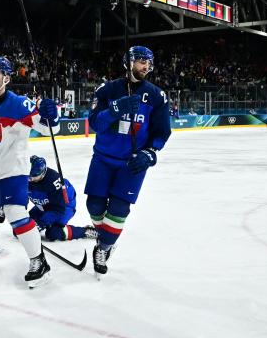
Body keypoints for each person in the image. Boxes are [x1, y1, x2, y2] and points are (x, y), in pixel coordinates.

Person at [85, 46, 171, 278]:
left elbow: (162, 132)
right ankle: (107, 238)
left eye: (149, 62)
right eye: (141, 60)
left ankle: (103, 248)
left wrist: (151, 153)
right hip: (103, 159)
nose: (145, 66)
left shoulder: (156, 95)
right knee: (94, 206)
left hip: (133, 163)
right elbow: (95, 124)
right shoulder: (108, 90)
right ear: (129, 62)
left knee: (119, 209)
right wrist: (116, 108)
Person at [0, 56, 59, 288]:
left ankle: (38, 262)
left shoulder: (20, 104)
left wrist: (52, 114)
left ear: (7, 77)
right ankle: (0, 206)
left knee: (16, 213)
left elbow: (49, 128)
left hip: (14, 170)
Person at [28, 155, 97, 241]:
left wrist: (41, 223)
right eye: (28, 176)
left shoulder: (54, 182)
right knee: (23, 228)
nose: (30, 179)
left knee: (53, 233)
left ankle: (84, 231)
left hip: (64, 206)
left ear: (43, 173)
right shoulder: (25, 176)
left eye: (34, 176)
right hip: (44, 204)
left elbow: (58, 210)